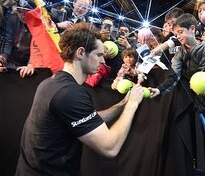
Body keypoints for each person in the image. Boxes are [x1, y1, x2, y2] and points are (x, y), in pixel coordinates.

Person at [15, 23, 144, 176]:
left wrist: (124, 103)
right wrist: (133, 105)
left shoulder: (51, 83)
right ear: (81, 53)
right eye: (99, 55)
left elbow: (89, 118)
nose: (103, 61)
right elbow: (110, 148)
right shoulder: (70, 93)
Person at [149, 13, 205, 176]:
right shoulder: (180, 52)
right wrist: (160, 90)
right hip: (187, 97)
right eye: (176, 33)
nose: (178, 36)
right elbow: (174, 75)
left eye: (181, 32)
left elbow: (204, 73)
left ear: (192, 29)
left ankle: (203, 168)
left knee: (202, 134)